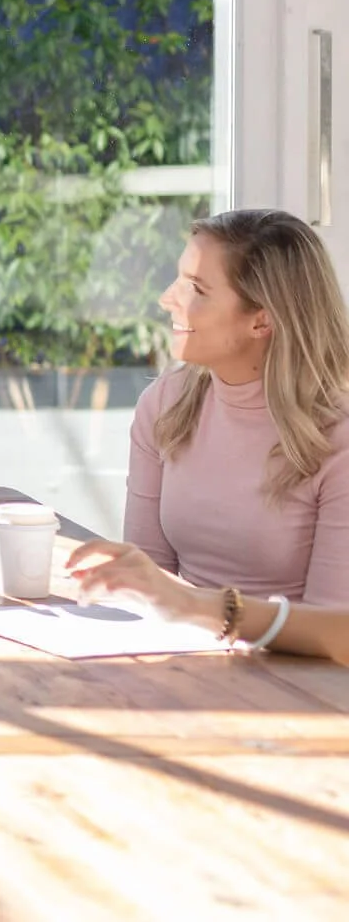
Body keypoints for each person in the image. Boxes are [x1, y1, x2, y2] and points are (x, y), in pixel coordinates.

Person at [124, 208, 349, 605]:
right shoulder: (164, 405)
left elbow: (333, 633)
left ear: (261, 321)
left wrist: (211, 616)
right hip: (184, 654)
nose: (166, 299)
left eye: (196, 289)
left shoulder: (337, 435)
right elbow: (147, 587)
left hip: (296, 666)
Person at [66, 539, 349, 664]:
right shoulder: (165, 417)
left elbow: (335, 639)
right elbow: (146, 574)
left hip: (294, 689)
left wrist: (199, 606)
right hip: (198, 666)